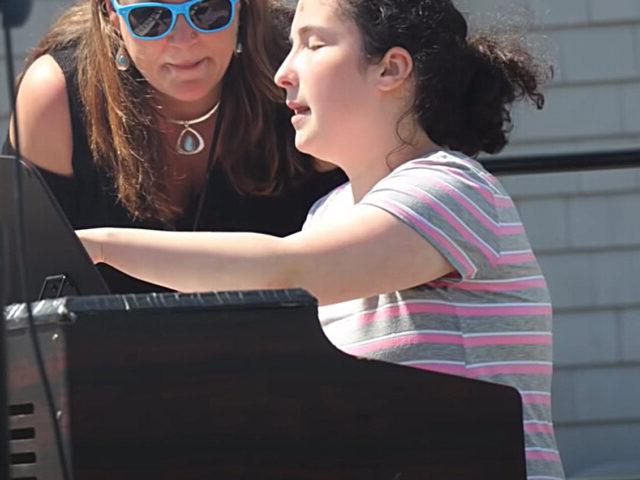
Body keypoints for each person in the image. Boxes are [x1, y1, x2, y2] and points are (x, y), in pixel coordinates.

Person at [78, 0, 565, 477]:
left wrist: (99, 245)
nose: (282, 73)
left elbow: (286, 271)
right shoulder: (326, 215)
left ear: (390, 69)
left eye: (312, 44)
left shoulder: (451, 190)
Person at [4, 0, 346, 292]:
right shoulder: (57, 95)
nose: (183, 40)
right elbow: (28, 285)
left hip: (293, 350)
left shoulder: (300, 71)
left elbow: (354, 249)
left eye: (207, 10)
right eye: (150, 17)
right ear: (112, 14)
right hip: (109, 359)